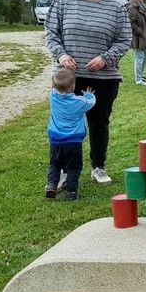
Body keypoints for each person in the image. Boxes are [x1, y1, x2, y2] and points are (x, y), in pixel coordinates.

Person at [45, 0, 131, 185]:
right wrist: (61, 55)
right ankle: (63, 169)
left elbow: (124, 39)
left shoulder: (116, 7)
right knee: (65, 123)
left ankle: (98, 166)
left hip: (103, 77)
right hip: (68, 77)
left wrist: (105, 59)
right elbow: (51, 33)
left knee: (99, 122)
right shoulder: (63, 2)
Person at [45, 69, 95, 200]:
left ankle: (51, 185)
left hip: (55, 139)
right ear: (73, 86)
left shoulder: (53, 97)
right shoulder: (79, 102)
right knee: (74, 167)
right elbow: (91, 102)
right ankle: (71, 192)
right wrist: (89, 95)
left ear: (53, 86)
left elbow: (54, 88)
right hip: (73, 141)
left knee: (54, 164)